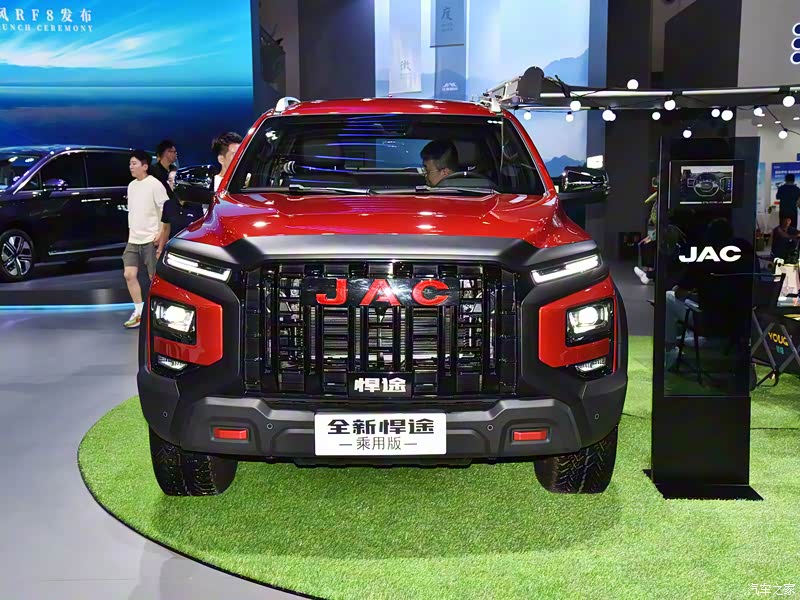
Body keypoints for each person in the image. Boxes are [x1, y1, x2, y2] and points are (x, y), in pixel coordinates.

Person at [122, 150, 169, 329]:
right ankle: (139, 311)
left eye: (134, 163)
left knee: (153, 278)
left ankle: (159, 314)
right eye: (130, 163)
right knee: (129, 275)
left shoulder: (155, 185)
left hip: (151, 238)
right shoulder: (131, 186)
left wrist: (161, 233)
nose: (130, 166)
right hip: (133, 239)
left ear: (145, 166)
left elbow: (165, 211)